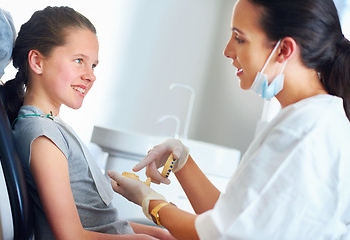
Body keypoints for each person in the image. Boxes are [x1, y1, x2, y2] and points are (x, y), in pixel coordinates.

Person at [107, 0, 350, 239]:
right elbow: (236, 220)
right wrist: (182, 161)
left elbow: (221, 235)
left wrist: (148, 200)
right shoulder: (318, 118)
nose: (227, 51)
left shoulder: (302, 129)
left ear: (284, 50)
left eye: (240, 39)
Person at [4, 6, 175, 240]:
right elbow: (70, 236)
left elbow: (107, 223)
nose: (90, 75)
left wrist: (157, 234)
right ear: (36, 61)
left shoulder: (51, 125)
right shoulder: (42, 136)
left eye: (93, 65)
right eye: (78, 60)